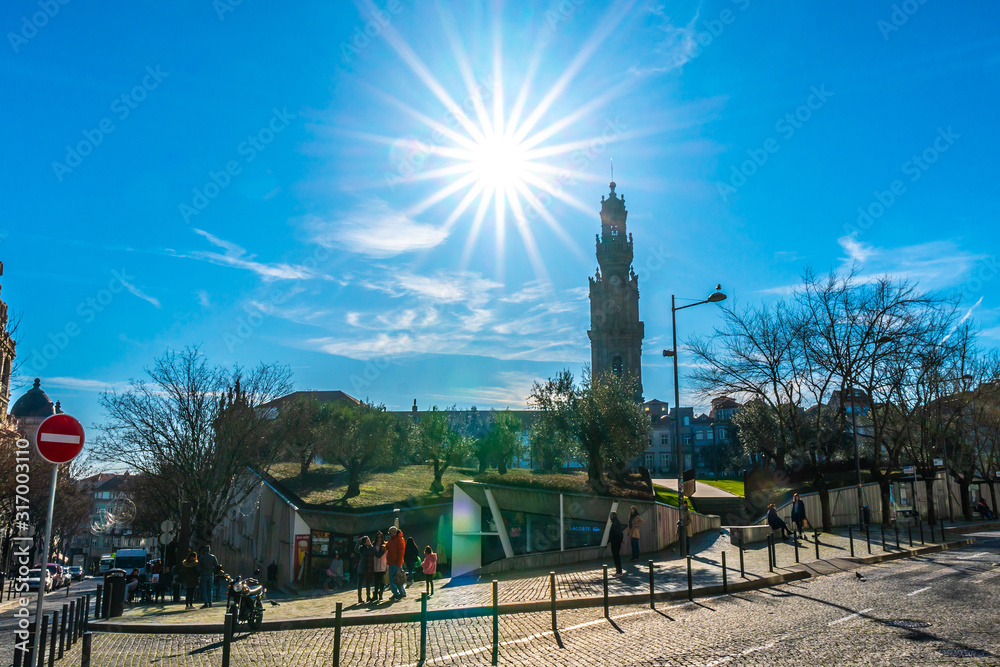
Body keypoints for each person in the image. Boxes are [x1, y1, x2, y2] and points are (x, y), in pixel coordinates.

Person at [386, 526, 407, 600]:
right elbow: (388, 546)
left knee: (398, 579)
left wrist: (399, 563)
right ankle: (396, 593)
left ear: (394, 532)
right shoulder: (391, 539)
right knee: (392, 579)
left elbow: (401, 552)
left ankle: (401, 592)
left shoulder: (399, 540)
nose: (389, 534)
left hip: (396, 562)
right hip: (391, 562)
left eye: (390, 533)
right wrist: (385, 546)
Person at [355, 536, 375, 604]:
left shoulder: (372, 548)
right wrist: (358, 542)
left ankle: (368, 596)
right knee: (360, 583)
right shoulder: (362, 548)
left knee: (368, 583)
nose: (368, 541)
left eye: (369, 540)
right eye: (367, 541)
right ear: (364, 543)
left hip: (369, 567)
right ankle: (359, 597)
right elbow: (356, 550)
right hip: (362, 567)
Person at [372, 532, 388, 601]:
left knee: (382, 581)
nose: (379, 539)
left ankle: (380, 594)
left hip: (383, 564)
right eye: (378, 537)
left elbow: (387, 556)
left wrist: (387, 565)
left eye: (380, 537)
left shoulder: (385, 545)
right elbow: (377, 555)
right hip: (376, 565)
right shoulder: (374, 545)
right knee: (376, 582)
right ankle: (375, 595)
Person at [608, 511, 625, 575]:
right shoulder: (616, 522)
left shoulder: (615, 523)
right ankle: (618, 570)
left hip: (615, 542)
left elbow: (618, 533)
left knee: (616, 556)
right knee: (616, 556)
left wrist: (620, 539)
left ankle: (619, 571)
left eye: (611, 516)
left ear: (613, 516)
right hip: (615, 541)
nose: (610, 517)